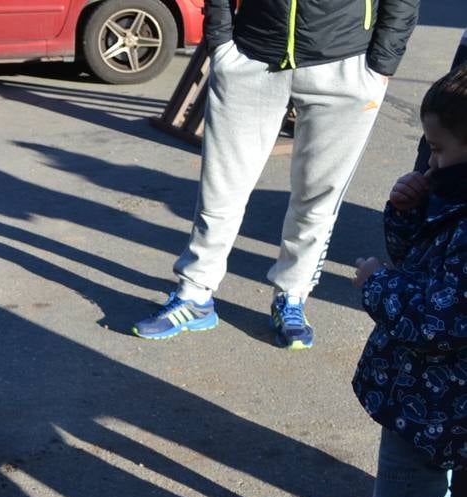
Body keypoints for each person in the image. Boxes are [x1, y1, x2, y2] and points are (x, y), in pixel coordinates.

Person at [133, 0, 419, 349]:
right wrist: (221, 41)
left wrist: (381, 63)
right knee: (220, 189)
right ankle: (194, 294)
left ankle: (292, 295)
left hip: (346, 63)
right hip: (252, 53)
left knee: (318, 197)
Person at [346, 65, 467, 497]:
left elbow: (441, 318)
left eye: (438, 149)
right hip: (428, 395)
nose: (430, 161)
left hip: (441, 397)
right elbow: (420, 258)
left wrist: (375, 286)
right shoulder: (453, 196)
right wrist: (406, 209)